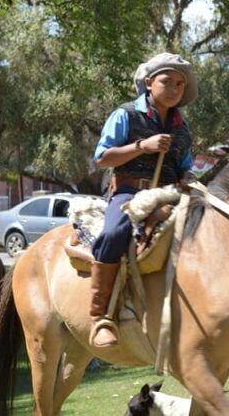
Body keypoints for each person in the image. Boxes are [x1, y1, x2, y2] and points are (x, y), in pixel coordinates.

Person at [91, 52, 197, 348]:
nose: (176, 88)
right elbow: (101, 158)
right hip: (130, 192)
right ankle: (100, 317)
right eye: (168, 81)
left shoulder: (182, 129)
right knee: (114, 233)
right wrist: (142, 146)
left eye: (180, 84)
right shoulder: (126, 114)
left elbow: (185, 166)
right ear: (149, 83)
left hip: (169, 196)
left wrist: (189, 177)